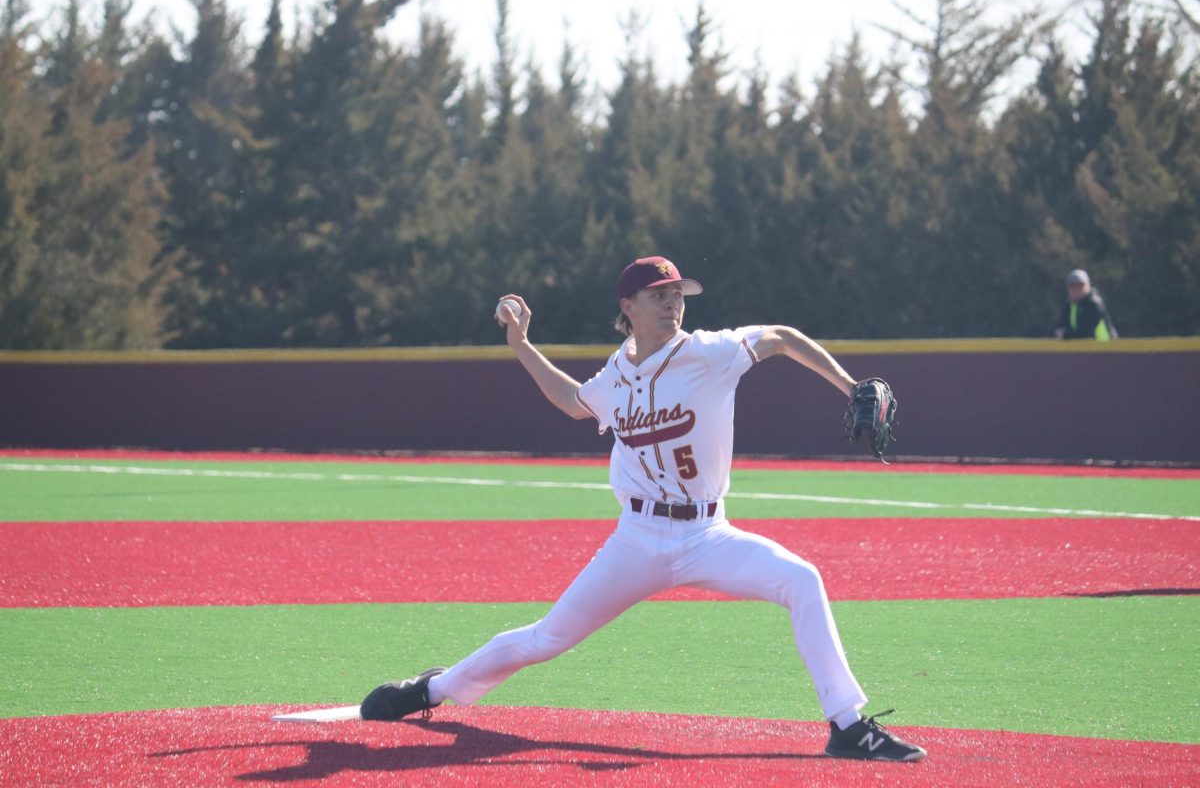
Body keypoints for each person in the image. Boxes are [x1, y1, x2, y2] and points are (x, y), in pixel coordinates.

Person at [360, 255, 926, 762]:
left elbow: (780, 336)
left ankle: (847, 725)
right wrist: (522, 348)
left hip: (708, 535)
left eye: (679, 294)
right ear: (628, 307)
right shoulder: (618, 372)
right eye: (661, 295)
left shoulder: (709, 353)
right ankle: (431, 690)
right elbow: (573, 402)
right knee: (546, 639)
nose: (674, 303)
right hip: (636, 539)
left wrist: (851, 385)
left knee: (801, 579)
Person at [1055, 269, 1117, 340]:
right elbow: (1061, 329)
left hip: (1105, 347)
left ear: (1088, 286)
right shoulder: (1069, 306)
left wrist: (1066, 335)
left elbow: (1086, 333)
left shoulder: (1094, 304)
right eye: (1072, 286)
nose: (1076, 289)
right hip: (1083, 348)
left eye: (1080, 285)